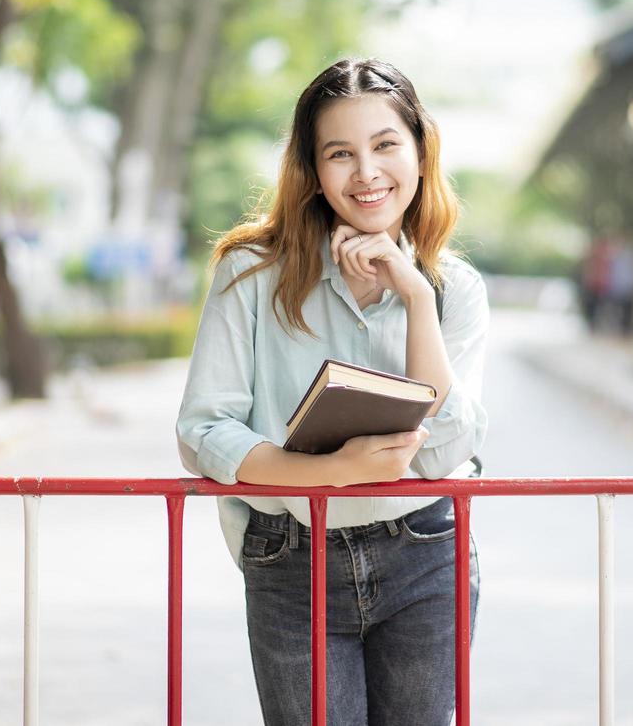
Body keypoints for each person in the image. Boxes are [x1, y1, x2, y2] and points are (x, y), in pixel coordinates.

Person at [176, 57, 489, 726]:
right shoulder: (250, 273)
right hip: (292, 557)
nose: (367, 173)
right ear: (313, 171)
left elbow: (442, 453)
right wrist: (327, 473)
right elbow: (203, 430)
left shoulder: (454, 289)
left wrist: (414, 298)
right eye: (340, 154)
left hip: (425, 556)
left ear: (420, 152)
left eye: (384, 146)